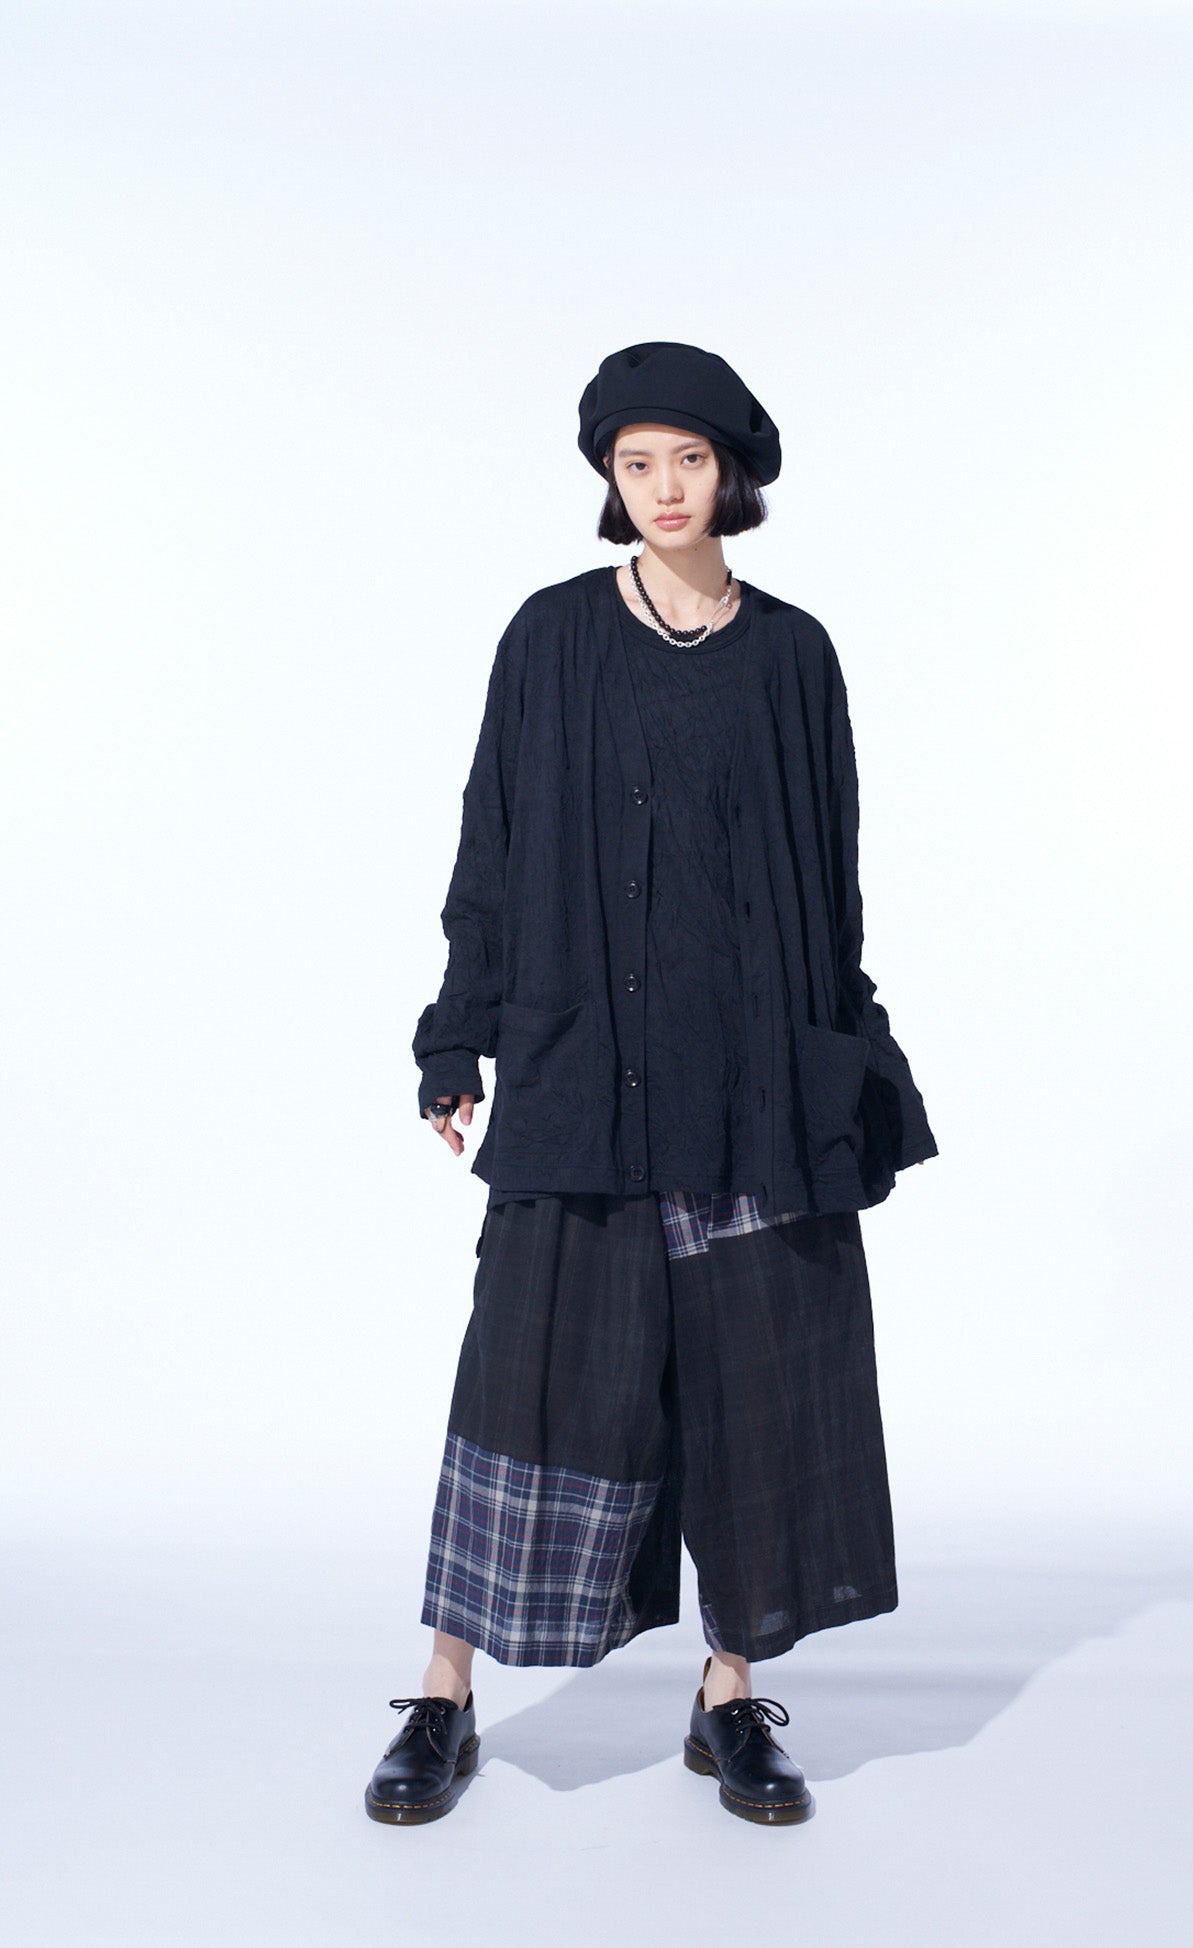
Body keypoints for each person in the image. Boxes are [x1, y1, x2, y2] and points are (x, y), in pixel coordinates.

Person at [363, 341, 937, 1829]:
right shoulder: (551, 637)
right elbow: (492, 842)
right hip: (582, 1079)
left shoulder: (795, 654)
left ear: (731, 473)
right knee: (529, 1382)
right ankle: (443, 1694)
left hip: (753, 1086)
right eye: (638, 464)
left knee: (758, 1398)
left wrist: (846, 1053)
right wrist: (455, 1032)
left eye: (689, 459)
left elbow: (830, 879)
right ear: (609, 481)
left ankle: (729, 1696)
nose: (666, 487)